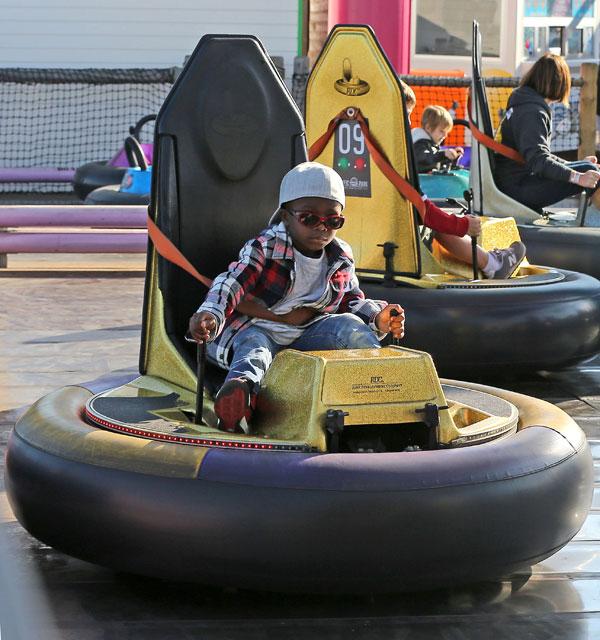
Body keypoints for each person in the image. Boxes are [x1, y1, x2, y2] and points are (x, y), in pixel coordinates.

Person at [188, 162, 405, 434]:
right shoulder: (267, 247)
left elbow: (350, 299)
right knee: (255, 350)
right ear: (286, 217)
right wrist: (211, 313)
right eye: (309, 219)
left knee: (351, 325)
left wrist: (377, 317)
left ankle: (380, 391)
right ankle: (239, 399)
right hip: (258, 329)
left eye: (333, 220)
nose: (322, 228)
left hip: (307, 334)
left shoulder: (340, 255)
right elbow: (231, 283)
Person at [399, 80, 526, 279]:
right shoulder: (405, 150)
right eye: (405, 115)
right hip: (407, 217)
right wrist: (462, 225)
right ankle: (491, 263)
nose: (408, 122)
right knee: (438, 226)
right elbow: (421, 208)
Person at [493, 52, 600, 212]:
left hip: (515, 181)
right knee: (588, 172)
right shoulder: (532, 112)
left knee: (586, 166)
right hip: (518, 188)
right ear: (559, 83)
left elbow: (539, 156)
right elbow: (538, 160)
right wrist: (578, 177)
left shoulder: (523, 103)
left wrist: (574, 165)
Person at [412, 105, 464, 172]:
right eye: (442, 131)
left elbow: (436, 162)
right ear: (428, 128)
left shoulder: (431, 144)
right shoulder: (420, 143)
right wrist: (443, 154)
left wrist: (452, 158)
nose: (445, 135)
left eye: (446, 132)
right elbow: (423, 159)